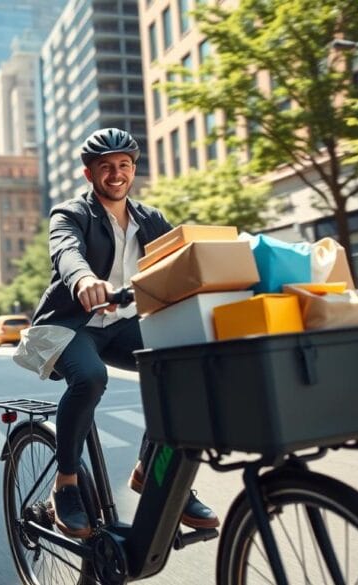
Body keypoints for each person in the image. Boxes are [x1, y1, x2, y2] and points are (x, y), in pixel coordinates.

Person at [30, 128, 218, 538]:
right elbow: (66, 251)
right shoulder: (70, 213)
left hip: (121, 324)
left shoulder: (150, 219)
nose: (116, 174)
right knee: (90, 377)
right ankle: (66, 486)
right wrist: (83, 280)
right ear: (88, 173)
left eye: (124, 166)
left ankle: (150, 468)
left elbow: (179, 260)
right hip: (71, 324)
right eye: (106, 167)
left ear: (133, 170)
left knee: (180, 364)